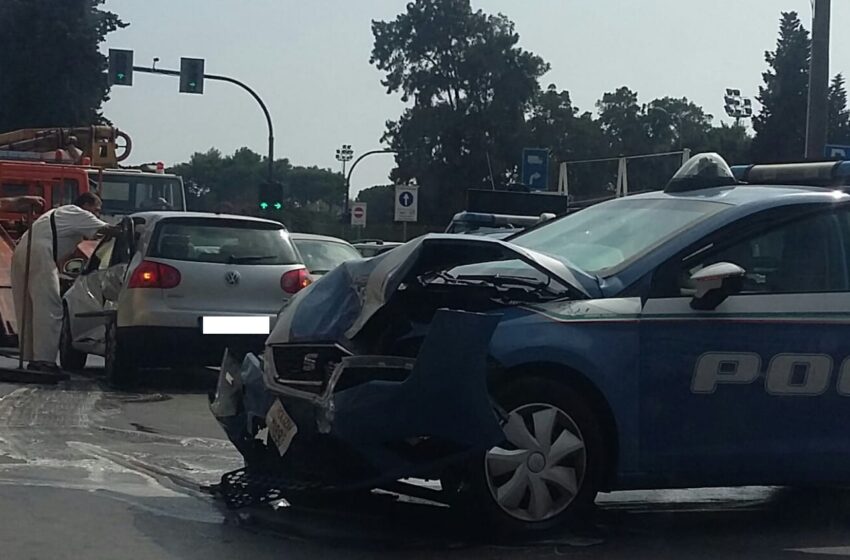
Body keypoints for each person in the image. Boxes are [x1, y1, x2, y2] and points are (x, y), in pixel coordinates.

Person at [11, 192, 118, 373]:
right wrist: (129, 229)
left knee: (29, 308)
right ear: (86, 204)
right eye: (96, 209)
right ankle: (45, 361)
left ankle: (32, 357)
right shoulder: (79, 214)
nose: (97, 214)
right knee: (49, 307)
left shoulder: (61, 212)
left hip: (23, 249)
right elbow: (106, 230)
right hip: (41, 252)